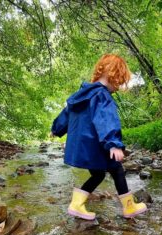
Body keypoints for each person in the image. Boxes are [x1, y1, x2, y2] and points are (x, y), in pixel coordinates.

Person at [51, 54, 147, 220]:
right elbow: (105, 119)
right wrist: (114, 143)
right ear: (114, 75)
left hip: (84, 148)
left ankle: (77, 204)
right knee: (117, 169)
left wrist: (56, 129)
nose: (118, 87)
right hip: (97, 145)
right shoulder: (101, 95)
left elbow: (67, 113)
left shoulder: (81, 95)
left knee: (98, 174)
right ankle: (129, 207)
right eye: (120, 80)